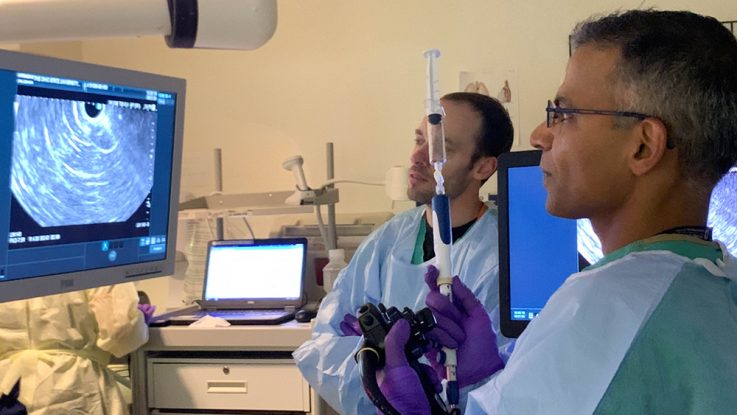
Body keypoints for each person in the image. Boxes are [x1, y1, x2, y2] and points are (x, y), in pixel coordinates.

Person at [379, 9, 737, 414]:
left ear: (643, 146)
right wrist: (486, 375)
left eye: (564, 115)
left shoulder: (608, 307)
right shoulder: (718, 282)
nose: (539, 135)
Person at [293, 92, 515, 413]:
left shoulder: (504, 255)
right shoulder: (387, 241)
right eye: (419, 139)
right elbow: (323, 345)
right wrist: (374, 367)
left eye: (441, 149)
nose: (418, 156)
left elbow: (515, 383)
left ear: (483, 167)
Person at [0, 283, 155, 415]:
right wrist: (139, 321)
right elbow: (122, 333)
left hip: (8, 387)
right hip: (74, 385)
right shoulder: (95, 258)